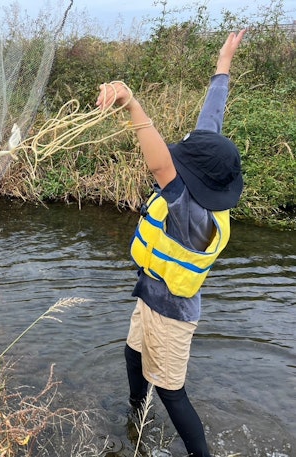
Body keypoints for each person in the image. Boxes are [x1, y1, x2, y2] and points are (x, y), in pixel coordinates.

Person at [95, 29, 246, 457]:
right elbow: (211, 119)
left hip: (173, 314)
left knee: (172, 392)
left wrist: (132, 104)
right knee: (132, 354)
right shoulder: (206, 180)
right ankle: (136, 414)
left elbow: (160, 165)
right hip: (151, 294)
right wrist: (223, 62)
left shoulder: (193, 214)